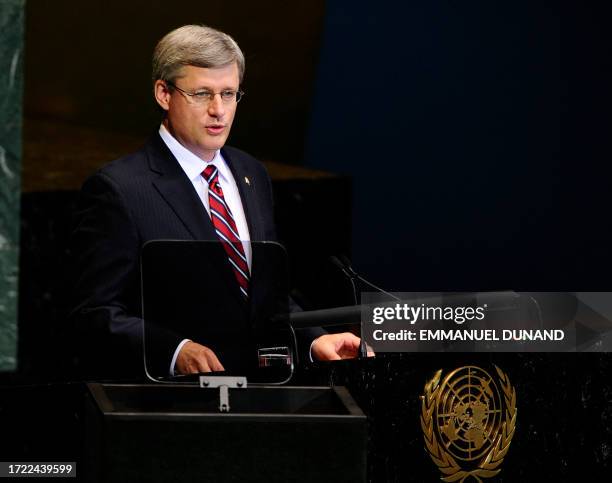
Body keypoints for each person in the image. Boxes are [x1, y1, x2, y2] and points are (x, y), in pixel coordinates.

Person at [69, 24, 363, 379]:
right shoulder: (120, 189)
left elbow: (263, 297)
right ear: (164, 93)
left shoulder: (251, 174)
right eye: (202, 94)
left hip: (265, 398)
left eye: (229, 94)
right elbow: (96, 312)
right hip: (176, 406)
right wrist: (175, 351)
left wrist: (314, 341)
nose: (218, 110)